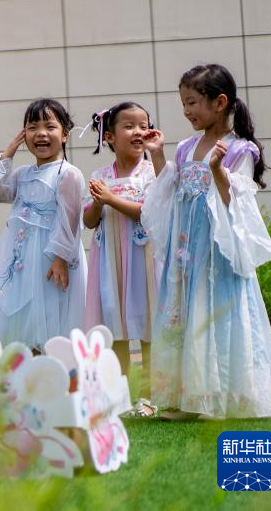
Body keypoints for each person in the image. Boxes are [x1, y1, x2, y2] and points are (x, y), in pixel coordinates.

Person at [141, 64, 271, 419]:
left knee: (215, 313)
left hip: (217, 255)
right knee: (186, 315)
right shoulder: (186, 148)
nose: (186, 111)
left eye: (192, 102)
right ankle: (185, 397)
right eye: (183, 104)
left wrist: (218, 170)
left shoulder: (240, 150)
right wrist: (158, 154)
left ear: (220, 103)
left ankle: (217, 397)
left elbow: (236, 204)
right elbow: (171, 193)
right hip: (187, 252)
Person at [0, 99, 87, 351]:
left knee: (50, 317)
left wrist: (61, 257)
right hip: (19, 259)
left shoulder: (68, 173)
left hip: (50, 259)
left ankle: (51, 368)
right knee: (19, 318)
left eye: (50, 126)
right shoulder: (22, 174)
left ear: (65, 134)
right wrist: (8, 153)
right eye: (32, 127)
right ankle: (24, 369)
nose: (41, 133)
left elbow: (69, 219)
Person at [81, 101, 157, 416]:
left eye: (144, 125)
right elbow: (88, 220)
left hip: (144, 260)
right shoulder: (100, 175)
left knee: (149, 325)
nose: (138, 132)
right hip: (110, 262)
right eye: (129, 126)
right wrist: (99, 203)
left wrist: (111, 198)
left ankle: (148, 396)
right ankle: (121, 396)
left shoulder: (152, 172)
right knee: (116, 327)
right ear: (109, 136)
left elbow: (148, 212)